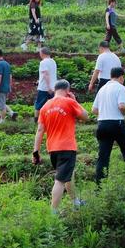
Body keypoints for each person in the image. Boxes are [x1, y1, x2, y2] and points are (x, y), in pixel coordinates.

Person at [32, 80, 88, 214]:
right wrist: (75, 101)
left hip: (53, 149)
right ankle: (53, 213)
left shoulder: (45, 106)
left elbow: (40, 130)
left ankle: (75, 201)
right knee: (60, 180)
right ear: (67, 90)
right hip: (67, 147)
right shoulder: (69, 102)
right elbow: (85, 116)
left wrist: (36, 151)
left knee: (68, 174)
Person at [92, 67, 125, 184]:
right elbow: (121, 106)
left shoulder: (102, 89)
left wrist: (105, 112)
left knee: (103, 157)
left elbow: (94, 110)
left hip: (102, 124)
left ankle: (100, 185)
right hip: (116, 123)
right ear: (121, 77)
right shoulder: (120, 87)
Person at [0, 49, 18, 123]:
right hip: (6, 87)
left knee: (1, 106)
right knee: (3, 102)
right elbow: (10, 76)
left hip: (1, 88)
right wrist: (9, 86)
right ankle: (12, 113)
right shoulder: (7, 64)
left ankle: (2, 121)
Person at [34, 47, 58, 122]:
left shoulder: (43, 62)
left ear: (42, 53)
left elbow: (46, 74)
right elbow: (50, 74)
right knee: (53, 105)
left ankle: (36, 120)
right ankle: (53, 119)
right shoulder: (53, 61)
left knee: (39, 105)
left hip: (44, 88)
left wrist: (48, 88)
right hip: (54, 87)